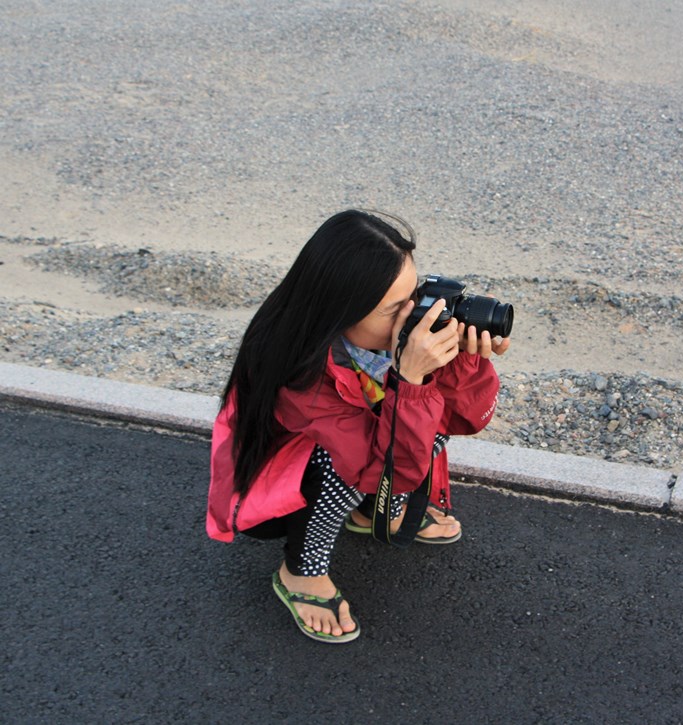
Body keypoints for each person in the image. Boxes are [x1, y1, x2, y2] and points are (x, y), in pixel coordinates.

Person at [206, 210, 510, 643]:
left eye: (417, 296)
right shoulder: (301, 370)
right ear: (340, 311)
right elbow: (375, 466)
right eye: (394, 310)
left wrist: (463, 358)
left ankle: (373, 512)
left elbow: (462, 419)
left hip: (373, 460)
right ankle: (301, 574)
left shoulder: (385, 342)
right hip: (283, 496)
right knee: (340, 463)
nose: (415, 316)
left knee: (429, 420)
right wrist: (409, 381)